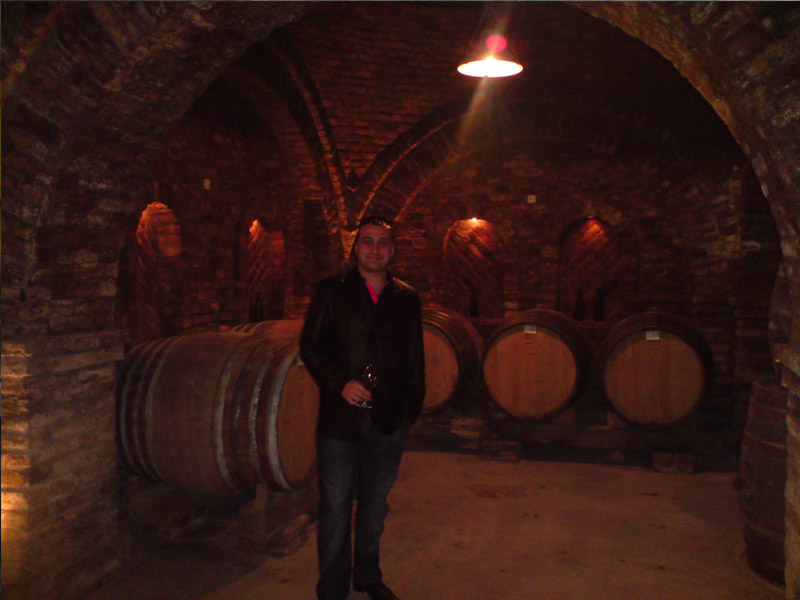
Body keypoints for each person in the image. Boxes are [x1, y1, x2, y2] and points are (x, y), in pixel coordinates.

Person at [300, 216, 425, 600]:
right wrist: (340, 383)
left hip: (389, 418)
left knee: (374, 504)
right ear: (356, 249)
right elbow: (311, 347)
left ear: (393, 249)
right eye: (368, 242)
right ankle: (333, 588)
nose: (375, 250)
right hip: (341, 420)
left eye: (383, 242)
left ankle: (368, 576)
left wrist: (410, 410)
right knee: (337, 508)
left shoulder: (406, 297)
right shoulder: (331, 292)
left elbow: (415, 356)